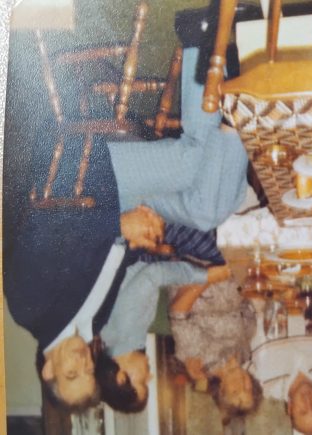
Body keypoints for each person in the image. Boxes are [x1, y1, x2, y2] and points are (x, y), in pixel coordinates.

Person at [4, 45, 249, 411]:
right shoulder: (92, 324)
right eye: (88, 371)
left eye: (72, 373)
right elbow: (115, 259)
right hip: (117, 207)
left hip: (82, 179)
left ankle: (209, 46)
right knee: (207, 211)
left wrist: (119, 224)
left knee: (194, 163)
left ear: (48, 370)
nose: (84, 362)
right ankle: (234, 104)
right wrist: (142, 239)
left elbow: (42, 225)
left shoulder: (28, 308)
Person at [167, 275, 263, 425]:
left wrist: (209, 277)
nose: (242, 384)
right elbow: (246, 302)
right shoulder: (243, 352)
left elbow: (178, 310)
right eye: (248, 390)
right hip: (232, 274)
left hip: (199, 273)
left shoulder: (197, 360)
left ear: (221, 390)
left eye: (235, 391)